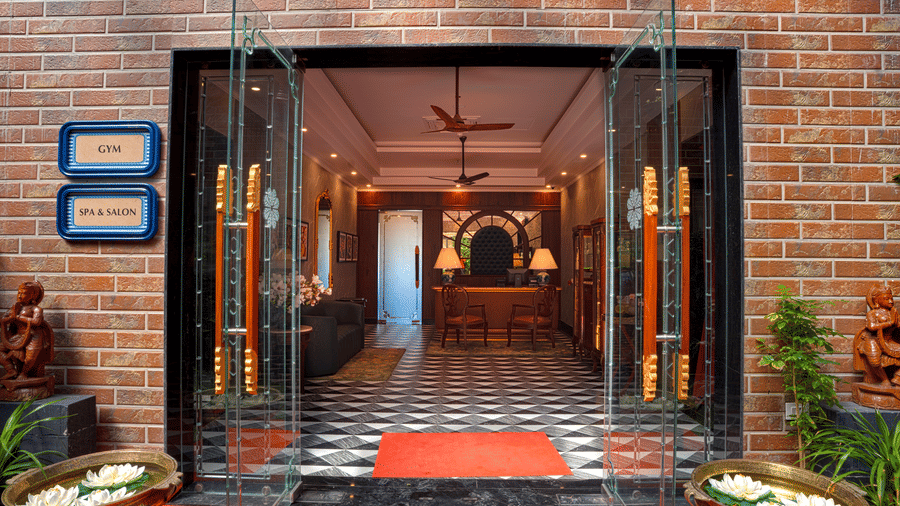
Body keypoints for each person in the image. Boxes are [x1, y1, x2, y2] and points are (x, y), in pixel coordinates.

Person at [0, 281, 54, 381]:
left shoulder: (36, 309)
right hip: (19, 335)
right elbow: (2, 320)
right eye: (18, 293)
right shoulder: (15, 308)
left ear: (32, 296)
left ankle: (24, 373)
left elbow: (37, 322)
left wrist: (18, 317)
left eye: (23, 293)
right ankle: (11, 370)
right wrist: (9, 318)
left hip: (34, 335)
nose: (19, 296)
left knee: (30, 357)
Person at [854, 284, 900, 387]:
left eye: (891, 298)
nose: (890, 301)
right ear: (877, 301)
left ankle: (897, 377)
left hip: (889, 340)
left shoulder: (893, 313)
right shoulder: (873, 314)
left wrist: (896, 322)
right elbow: (871, 326)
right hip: (873, 340)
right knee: (875, 361)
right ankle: (884, 379)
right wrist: (889, 323)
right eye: (886, 299)